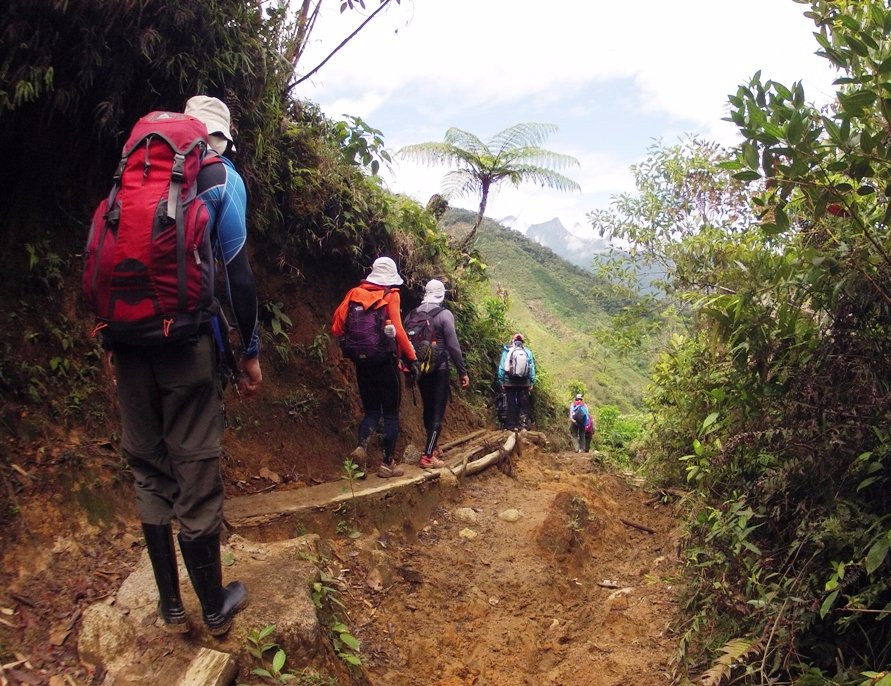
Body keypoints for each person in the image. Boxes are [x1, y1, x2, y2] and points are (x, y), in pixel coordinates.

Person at [111, 96, 261, 636]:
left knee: (148, 464)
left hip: (127, 337)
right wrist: (249, 351)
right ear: (222, 137)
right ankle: (214, 605)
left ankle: (170, 606)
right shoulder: (222, 178)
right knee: (194, 462)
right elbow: (238, 275)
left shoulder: (136, 169)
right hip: (187, 339)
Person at [332, 257, 418, 478]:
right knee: (390, 413)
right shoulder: (391, 295)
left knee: (371, 410)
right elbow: (398, 330)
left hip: (361, 362)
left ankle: (361, 449)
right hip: (384, 361)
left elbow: (337, 325)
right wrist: (411, 357)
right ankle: (387, 464)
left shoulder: (354, 293)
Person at [404, 279, 470, 469]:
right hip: (440, 368)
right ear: (442, 294)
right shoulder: (444, 315)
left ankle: (432, 448)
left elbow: (405, 342)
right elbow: (453, 346)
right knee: (438, 413)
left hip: (420, 369)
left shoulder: (412, 314)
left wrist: (409, 369)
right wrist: (462, 372)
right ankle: (427, 457)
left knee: (428, 408)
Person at [497, 333, 536, 430]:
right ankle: (522, 426)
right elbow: (531, 368)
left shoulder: (507, 350)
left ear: (512, 341)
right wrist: (531, 382)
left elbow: (502, 367)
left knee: (511, 403)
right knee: (523, 403)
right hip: (524, 382)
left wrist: (501, 380)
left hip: (509, 381)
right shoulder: (527, 352)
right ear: (523, 342)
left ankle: (510, 426)